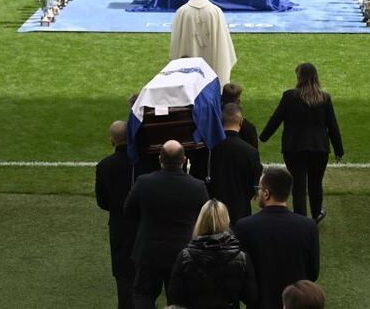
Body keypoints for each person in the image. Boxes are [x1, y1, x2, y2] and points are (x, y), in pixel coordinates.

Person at [123, 140, 209, 309]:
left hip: (149, 251)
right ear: (184, 160)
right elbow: (205, 218)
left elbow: (128, 210)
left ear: (160, 159)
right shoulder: (197, 186)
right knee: (179, 300)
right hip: (183, 252)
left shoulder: (144, 182)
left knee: (143, 295)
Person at [259, 63, 343, 221]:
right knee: (316, 183)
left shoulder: (289, 96)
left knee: (298, 185)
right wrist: (339, 150)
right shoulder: (324, 98)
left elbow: (276, 119)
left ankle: (301, 219)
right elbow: (332, 126)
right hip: (319, 148)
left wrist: (263, 137)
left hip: (294, 148)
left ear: (299, 77)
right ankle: (316, 214)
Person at [234, 167, 319, 309]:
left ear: (266, 193)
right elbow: (313, 273)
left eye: (259, 189)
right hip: (295, 303)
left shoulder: (244, 227)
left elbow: (241, 274)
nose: (257, 192)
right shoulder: (308, 226)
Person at [167, 199, 258, 308]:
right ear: (226, 220)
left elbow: (174, 298)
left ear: (200, 221)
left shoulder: (185, 257)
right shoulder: (241, 258)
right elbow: (251, 297)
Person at [95, 120, 137, 309]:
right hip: (143, 225)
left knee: (123, 276)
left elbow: (102, 201)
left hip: (119, 227)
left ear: (112, 140)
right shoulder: (142, 163)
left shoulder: (104, 166)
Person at [170, 0, 237, 86]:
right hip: (212, 56)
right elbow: (222, 39)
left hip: (189, 54)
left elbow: (176, 37)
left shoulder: (182, 11)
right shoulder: (215, 11)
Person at [209, 103, 263, 224]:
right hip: (241, 208)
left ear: (221, 121)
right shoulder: (251, 152)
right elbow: (255, 182)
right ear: (241, 122)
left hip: (216, 209)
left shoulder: (212, 149)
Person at [221, 83, 258, 149]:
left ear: (222, 99)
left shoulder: (211, 123)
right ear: (238, 101)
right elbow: (254, 152)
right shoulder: (249, 128)